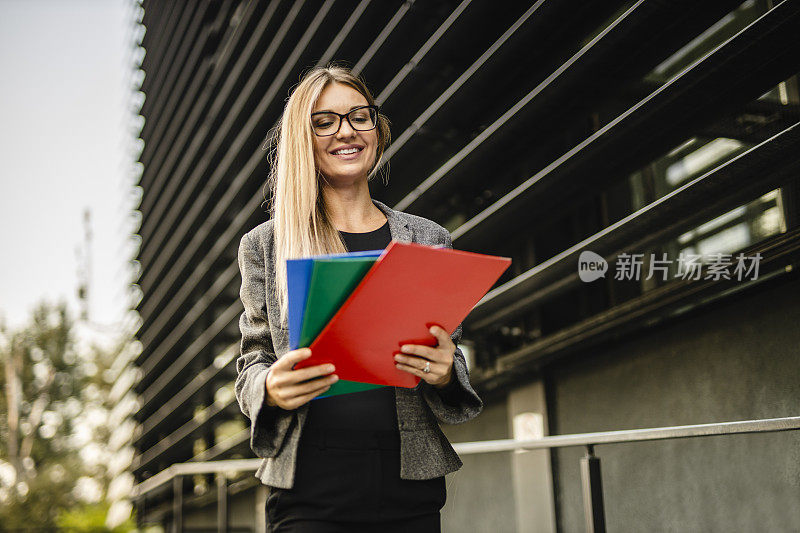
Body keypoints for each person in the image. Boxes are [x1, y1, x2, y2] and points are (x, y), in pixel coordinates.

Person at [235, 64, 483, 533]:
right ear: (302, 140)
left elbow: (449, 352)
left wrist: (447, 370)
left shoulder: (427, 239)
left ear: (377, 128)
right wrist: (268, 387)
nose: (345, 131)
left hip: (409, 489)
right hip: (309, 493)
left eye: (358, 117)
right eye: (324, 121)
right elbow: (252, 362)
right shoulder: (266, 245)